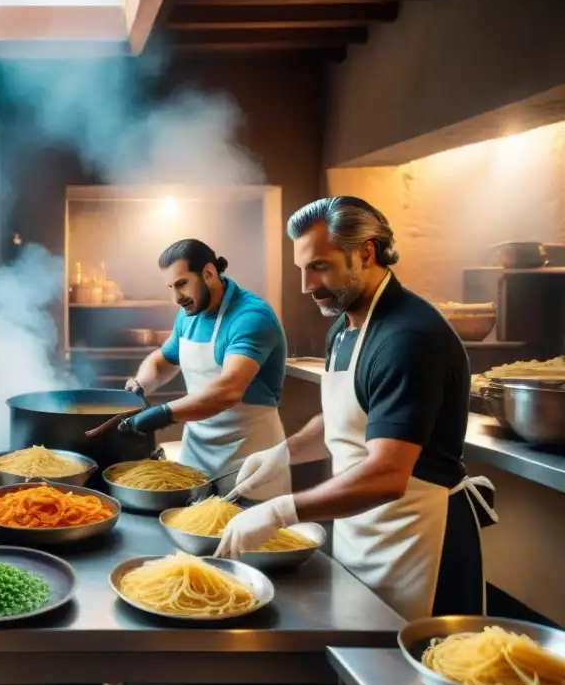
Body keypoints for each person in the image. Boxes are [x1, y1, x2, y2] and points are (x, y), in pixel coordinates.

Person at [218, 196, 495, 620]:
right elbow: (354, 413)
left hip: (419, 538)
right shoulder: (344, 329)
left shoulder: (408, 338)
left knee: (412, 674)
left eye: (320, 266)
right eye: (303, 269)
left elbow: (387, 475)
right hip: (361, 527)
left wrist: (282, 510)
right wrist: (285, 453)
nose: (307, 285)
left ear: (365, 252)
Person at [118, 239, 289, 485]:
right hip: (195, 456)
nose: (176, 297)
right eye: (170, 287)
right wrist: (140, 386)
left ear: (208, 273)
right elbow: (162, 360)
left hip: (248, 460)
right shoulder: (189, 315)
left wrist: (164, 413)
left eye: (182, 284)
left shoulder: (251, 317)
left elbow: (228, 391)